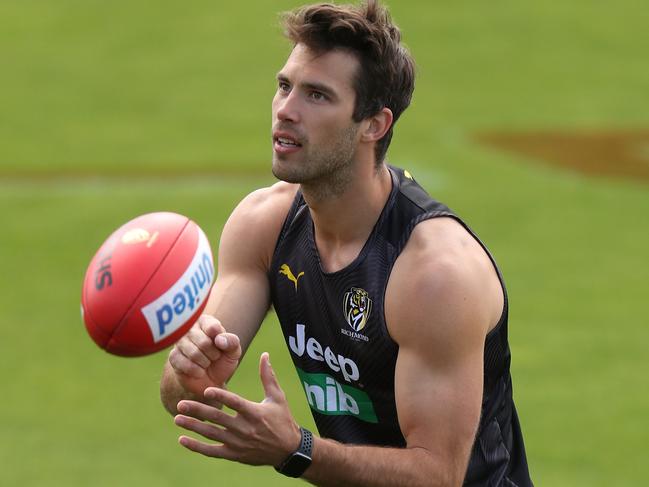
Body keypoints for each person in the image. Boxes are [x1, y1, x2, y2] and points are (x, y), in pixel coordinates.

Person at [160, 1, 533, 485]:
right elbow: (184, 394)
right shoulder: (263, 225)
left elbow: (437, 475)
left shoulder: (435, 275)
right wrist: (190, 373)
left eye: (317, 96)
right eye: (284, 86)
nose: (286, 110)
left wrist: (298, 450)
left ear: (374, 125)